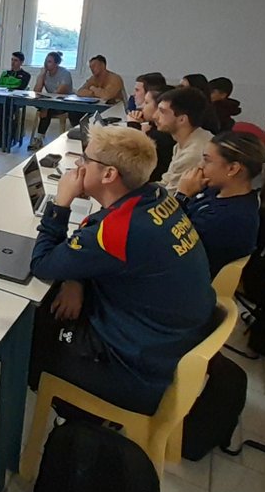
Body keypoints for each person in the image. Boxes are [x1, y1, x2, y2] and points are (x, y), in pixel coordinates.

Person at [28, 124, 214, 415]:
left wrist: (61, 203)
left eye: (85, 160)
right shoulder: (158, 196)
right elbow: (98, 255)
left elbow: (42, 264)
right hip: (170, 338)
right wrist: (75, 278)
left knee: (30, 327)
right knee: (54, 300)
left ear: (108, 174)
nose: (78, 166)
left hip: (137, 367)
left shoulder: (115, 232)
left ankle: (72, 411)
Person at [176, 131, 265, 277]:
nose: (200, 166)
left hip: (187, 280)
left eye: (207, 160)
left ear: (233, 169)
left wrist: (182, 197)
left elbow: (170, 242)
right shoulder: (214, 191)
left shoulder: (232, 218)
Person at [154, 86, 213, 193]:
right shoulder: (186, 141)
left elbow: (170, 197)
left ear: (182, 119)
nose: (155, 116)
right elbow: (166, 181)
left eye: (162, 112)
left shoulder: (192, 154)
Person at [28, 51, 73, 151]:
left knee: (46, 109)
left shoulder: (65, 73)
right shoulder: (44, 73)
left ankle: (38, 138)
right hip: (49, 103)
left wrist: (47, 104)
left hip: (63, 103)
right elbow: (36, 91)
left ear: (56, 64)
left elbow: (60, 92)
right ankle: (39, 138)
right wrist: (41, 75)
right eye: (46, 61)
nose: (46, 64)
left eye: (49, 62)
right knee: (43, 106)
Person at [135, 84, 175, 183]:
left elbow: (132, 165)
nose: (142, 106)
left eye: (146, 102)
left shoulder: (159, 136)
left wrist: (134, 127)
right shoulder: (155, 131)